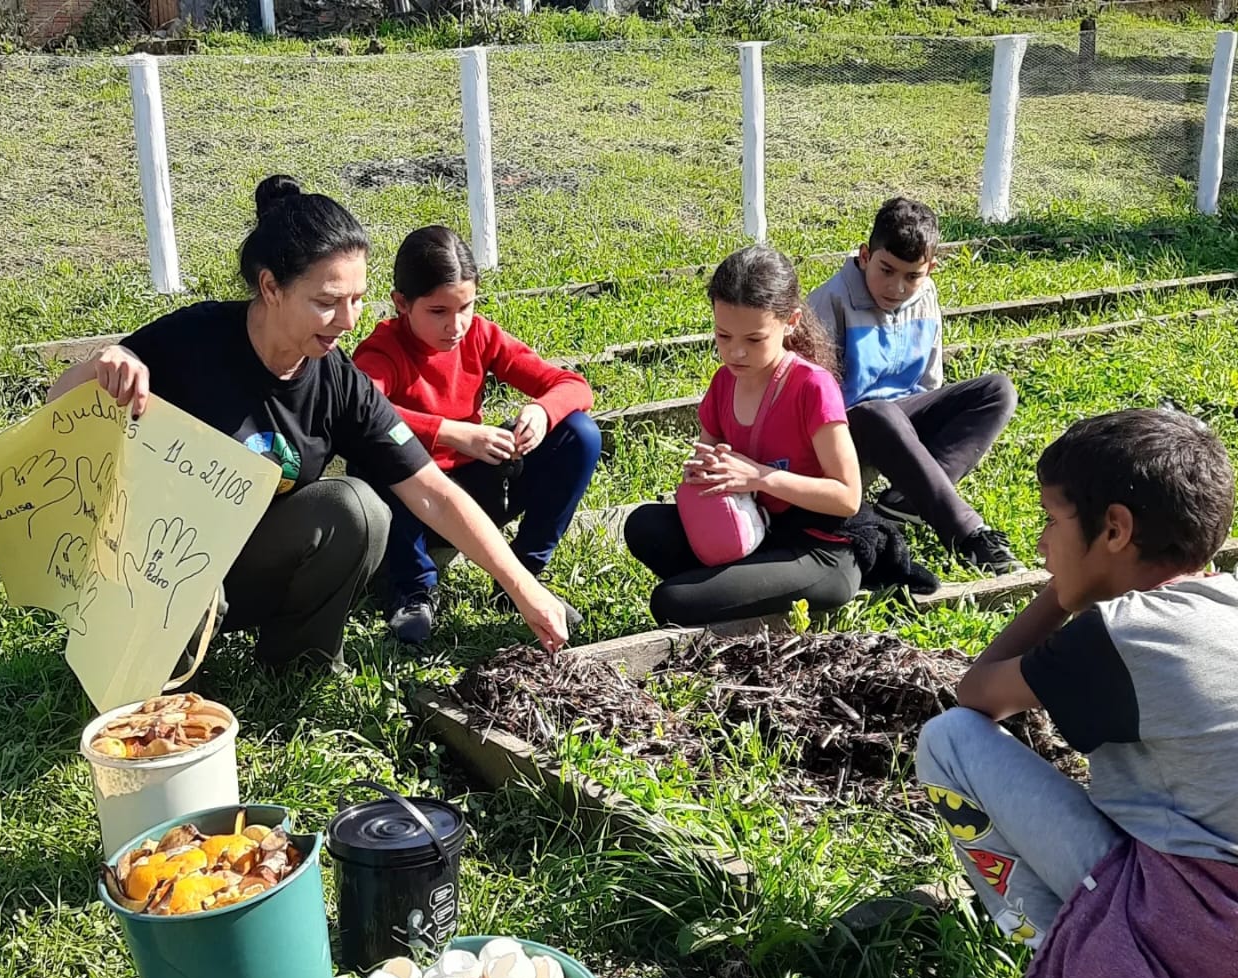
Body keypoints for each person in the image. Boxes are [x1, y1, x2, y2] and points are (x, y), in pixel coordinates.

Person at [46, 177, 570, 674]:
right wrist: (104, 365)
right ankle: (147, 662)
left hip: (251, 561)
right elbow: (57, 412)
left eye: (358, 300)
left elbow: (433, 492)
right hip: (159, 559)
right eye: (326, 303)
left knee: (359, 507)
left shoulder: (338, 382)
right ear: (271, 287)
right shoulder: (193, 339)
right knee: (169, 643)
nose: (347, 321)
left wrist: (524, 589)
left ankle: (297, 660)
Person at [916, 408, 1238, 978]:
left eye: (1053, 523)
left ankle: (1054, 957)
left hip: (1202, 943)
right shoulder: (1227, 607)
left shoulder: (1125, 633)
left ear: (1115, 529)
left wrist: (1061, 597)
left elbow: (978, 696)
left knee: (947, 744)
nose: (1040, 543)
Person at [352, 226, 600, 646]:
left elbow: (574, 386)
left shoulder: (480, 335)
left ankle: (522, 576)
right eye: (438, 312)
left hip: (476, 490)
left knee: (581, 434)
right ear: (401, 304)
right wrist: (450, 433)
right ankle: (412, 589)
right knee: (380, 453)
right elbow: (360, 413)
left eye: (465, 306)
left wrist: (542, 410)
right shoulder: (382, 350)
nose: (456, 325)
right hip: (410, 500)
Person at [622, 245, 867, 626]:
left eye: (754, 340)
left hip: (819, 548)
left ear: (791, 322)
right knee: (643, 526)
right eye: (723, 335)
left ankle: (733, 591)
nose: (735, 353)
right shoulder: (723, 383)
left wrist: (757, 476)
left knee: (672, 601)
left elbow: (848, 497)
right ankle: (737, 589)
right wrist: (702, 473)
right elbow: (707, 467)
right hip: (755, 530)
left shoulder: (812, 387)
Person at [806, 197, 1023, 575]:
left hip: (905, 419)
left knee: (998, 390)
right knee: (878, 412)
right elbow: (813, 397)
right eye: (886, 270)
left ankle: (907, 499)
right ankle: (967, 534)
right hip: (848, 428)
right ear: (864, 256)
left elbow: (929, 380)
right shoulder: (830, 300)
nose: (897, 287)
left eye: (912, 276)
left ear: (931, 269)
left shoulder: (926, 296)